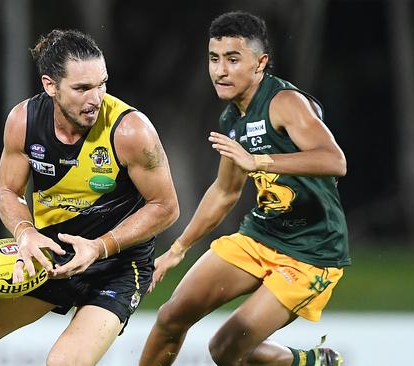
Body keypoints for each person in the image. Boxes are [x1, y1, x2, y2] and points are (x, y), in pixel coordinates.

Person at [0, 29, 179, 366]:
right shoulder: (24, 121)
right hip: (50, 255)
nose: (96, 98)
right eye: (82, 88)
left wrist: (100, 247)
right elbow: (9, 192)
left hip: (117, 266)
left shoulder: (131, 131)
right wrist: (25, 233)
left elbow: (166, 207)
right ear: (50, 86)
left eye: (102, 84)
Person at [139, 11, 350, 366]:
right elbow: (225, 192)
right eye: (214, 59)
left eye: (233, 59)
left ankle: (308, 361)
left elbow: (334, 160)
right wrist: (178, 249)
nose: (220, 70)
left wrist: (261, 162)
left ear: (260, 63)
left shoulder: (285, 103)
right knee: (170, 318)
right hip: (260, 235)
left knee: (225, 349)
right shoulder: (233, 118)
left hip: (311, 254)